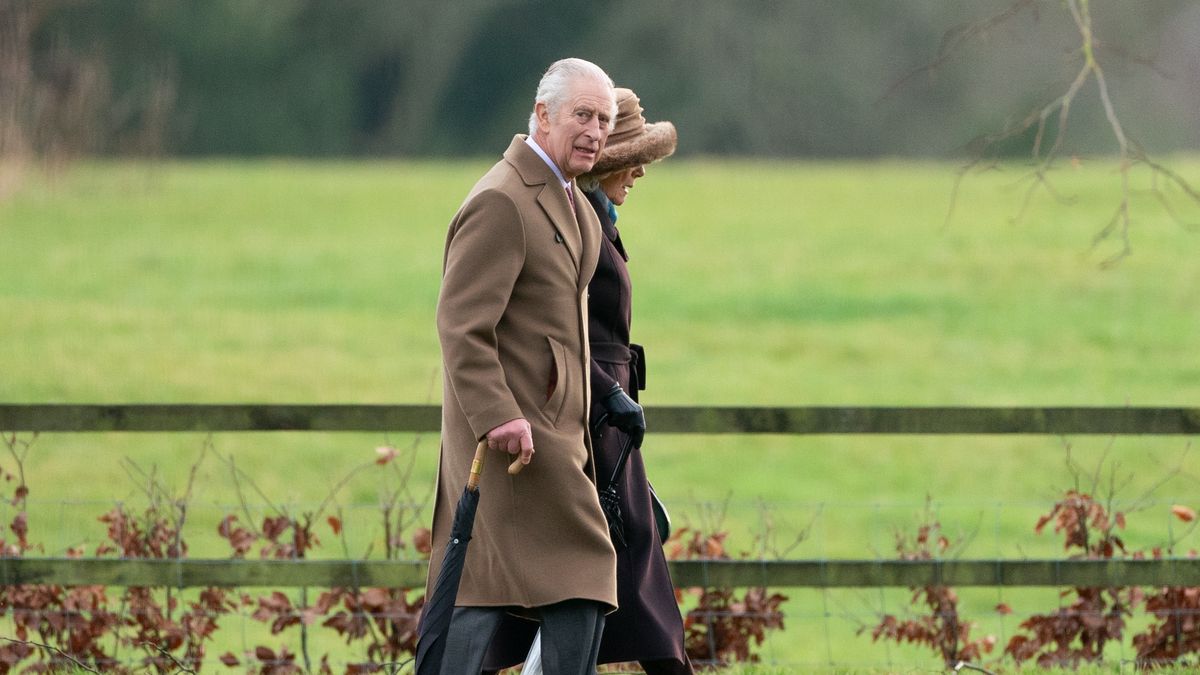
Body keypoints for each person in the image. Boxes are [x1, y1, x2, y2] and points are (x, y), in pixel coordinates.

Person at [425, 57, 631, 675]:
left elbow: (555, 327)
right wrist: (496, 417)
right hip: (513, 443)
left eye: (605, 118)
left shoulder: (570, 197)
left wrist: (601, 391)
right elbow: (461, 326)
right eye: (583, 115)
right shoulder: (502, 201)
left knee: (532, 582)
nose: (596, 130)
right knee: (519, 577)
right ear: (541, 116)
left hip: (553, 434)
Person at [484, 88, 692, 674]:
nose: (642, 171)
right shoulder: (575, 222)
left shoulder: (598, 217)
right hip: (585, 418)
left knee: (614, 575)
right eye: (634, 159)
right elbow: (546, 330)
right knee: (618, 573)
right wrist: (607, 392)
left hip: (608, 416)